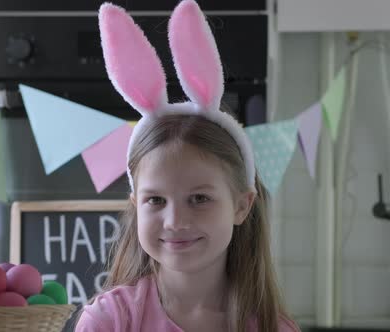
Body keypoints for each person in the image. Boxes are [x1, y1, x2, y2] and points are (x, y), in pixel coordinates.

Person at [75, 1, 300, 331]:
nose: (175, 221)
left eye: (199, 198)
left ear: (242, 205)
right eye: (155, 200)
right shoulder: (109, 321)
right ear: (137, 206)